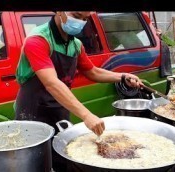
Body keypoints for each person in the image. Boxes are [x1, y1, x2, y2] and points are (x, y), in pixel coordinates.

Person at [14, 11, 142, 172]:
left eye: (85, 19)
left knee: (63, 158)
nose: (80, 22)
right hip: (33, 110)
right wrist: (86, 115)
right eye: (76, 15)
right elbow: (52, 83)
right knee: (36, 162)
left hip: (60, 106)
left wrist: (122, 76)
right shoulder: (38, 40)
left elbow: (93, 72)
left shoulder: (75, 44)